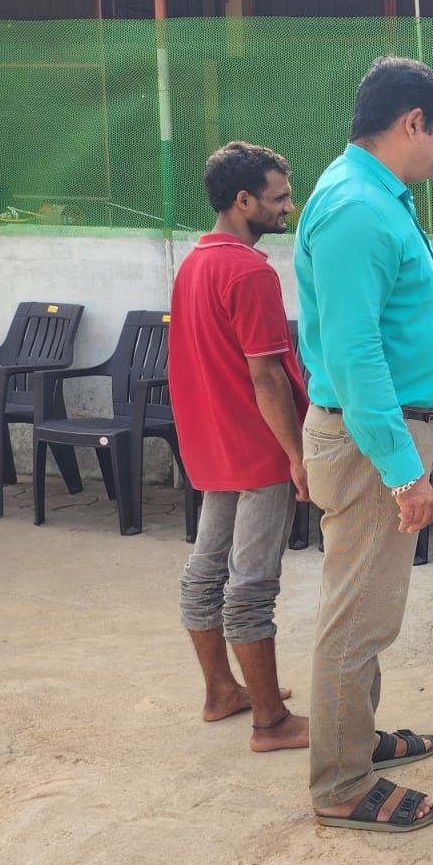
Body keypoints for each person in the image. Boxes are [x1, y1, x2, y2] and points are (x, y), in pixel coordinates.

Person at [295, 56, 433, 833]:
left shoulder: (373, 197)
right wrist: (405, 472)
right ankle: (340, 784)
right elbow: (356, 353)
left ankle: (355, 739)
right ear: (411, 123)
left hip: (386, 431)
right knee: (357, 618)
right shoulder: (357, 208)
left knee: (368, 612)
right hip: (374, 441)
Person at [169, 141, 310, 753]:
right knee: (251, 582)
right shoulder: (250, 271)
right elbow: (267, 375)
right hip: (257, 448)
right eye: (278, 197)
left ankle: (221, 691)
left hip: (211, 444)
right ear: (243, 200)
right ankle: (270, 723)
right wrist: (299, 456)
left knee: (206, 569)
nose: (287, 207)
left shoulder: (195, 261)